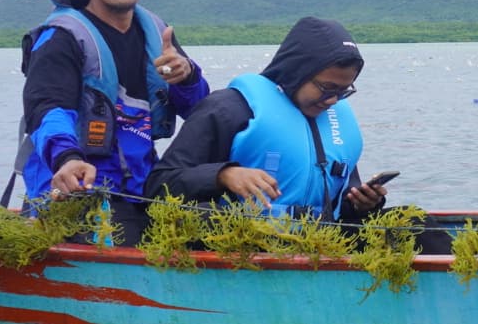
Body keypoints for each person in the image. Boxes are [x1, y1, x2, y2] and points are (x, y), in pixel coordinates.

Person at [0, 0, 209, 241]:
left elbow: (200, 111)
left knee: (211, 219)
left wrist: (186, 77)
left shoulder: (157, 33)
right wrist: (68, 158)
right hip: (74, 190)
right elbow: (48, 109)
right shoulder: (62, 38)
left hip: (141, 189)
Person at [146, 17, 389, 222]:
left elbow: (341, 208)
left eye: (344, 91)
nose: (333, 100)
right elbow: (157, 185)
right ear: (297, 72)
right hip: (242, 244)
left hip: (319, 245)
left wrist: (363, 204)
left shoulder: (336, 122)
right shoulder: (228, 109)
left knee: (409, 222)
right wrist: (222, 175)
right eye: (327, 88)